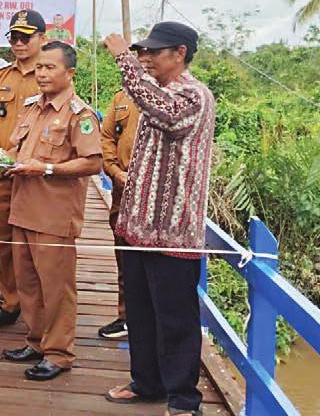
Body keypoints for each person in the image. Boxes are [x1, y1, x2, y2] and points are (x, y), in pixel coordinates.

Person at [102, 22, 215, 416]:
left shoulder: (193, 95)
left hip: (172, 233)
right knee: (140, 313)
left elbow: (162, 111)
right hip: (138, 228)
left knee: (175, 320)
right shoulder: (157, 92)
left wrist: (124, 58)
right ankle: (146, 382)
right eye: (142, 52)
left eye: (153, 52)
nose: (145, 58)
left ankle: (184, 400)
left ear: (180, 53)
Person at [0, 41, 101, 381]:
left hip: (54, 216)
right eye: (39, 67)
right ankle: (36, 340)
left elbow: (92, 162)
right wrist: (2, 160)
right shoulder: (32, 107)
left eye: (49, 68)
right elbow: (16, 148)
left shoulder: (80, 115)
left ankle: (58, 353)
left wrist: (46, 169)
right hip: (22, 209)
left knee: (56, 288)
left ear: (69, 73)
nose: (41, 73)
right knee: (28, 283)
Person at [0, 9, 44, 328]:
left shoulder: (49, 75)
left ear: (42, 39)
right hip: (1, 171)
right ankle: (10, 300)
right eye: (14, 37)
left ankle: (37, 307)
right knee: (2, 239)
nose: (18, 43)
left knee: (35, 243)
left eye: (25, 37)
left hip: (35, 175)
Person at [97, 88, 139, 340]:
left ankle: (149, 319)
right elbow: (106, 136)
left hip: (155, 194)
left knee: (153, 258)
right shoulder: (121, 98)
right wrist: (113, 170)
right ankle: (127, 317)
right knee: (123, 253)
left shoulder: (170, 95)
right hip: (122, 189)